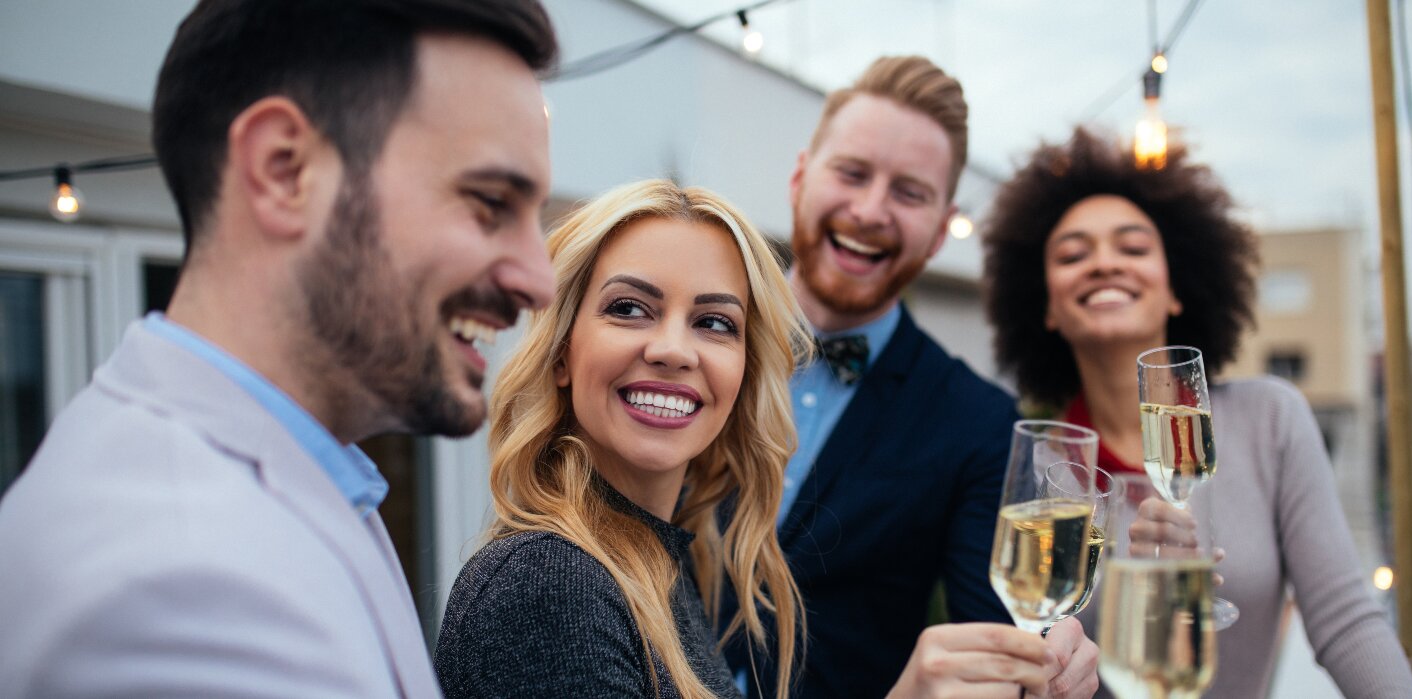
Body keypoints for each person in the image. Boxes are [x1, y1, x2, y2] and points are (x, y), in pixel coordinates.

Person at [0, 1, 558, 696]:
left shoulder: (301, 472)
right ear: (284, 169)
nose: (540, 281)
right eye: (488, 202)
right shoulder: (175, 590)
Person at [981, 126, 1412, 698]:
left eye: (1133, 248)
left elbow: (1346, 622)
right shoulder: (1033, 466)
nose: (1104, 264)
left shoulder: (1271, 419)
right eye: (1072, 255)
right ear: (1046, 307)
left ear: (1176, 289)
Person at [726, 55, 1098, 699]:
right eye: (852, 173)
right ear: (799, 177)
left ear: (937, 232)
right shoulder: (690, 340)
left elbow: (1004, 641)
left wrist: (1056, 664)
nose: (871, 210)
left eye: (909, 192)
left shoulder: (980, 424)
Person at [432, 180, 807, 699]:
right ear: (561, 351)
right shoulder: (550, 582)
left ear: (745, 370)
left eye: (715, 322)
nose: (674, 351)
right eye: (629, 309)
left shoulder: (662, 565)